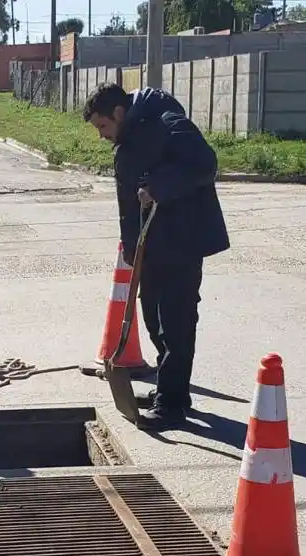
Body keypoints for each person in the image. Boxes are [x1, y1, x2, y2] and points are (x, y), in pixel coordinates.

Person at [83, 82, 230, 431]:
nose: (101, 135)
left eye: (102, 126)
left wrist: (158, 187)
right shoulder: (130, 134)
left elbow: (205, 164)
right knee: (153, 320)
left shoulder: (164, 121)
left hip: (181, 241)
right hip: (152, 246)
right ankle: (170, 389)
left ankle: (172, 404)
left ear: (119, 113)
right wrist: (133, 250)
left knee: (175, 322)